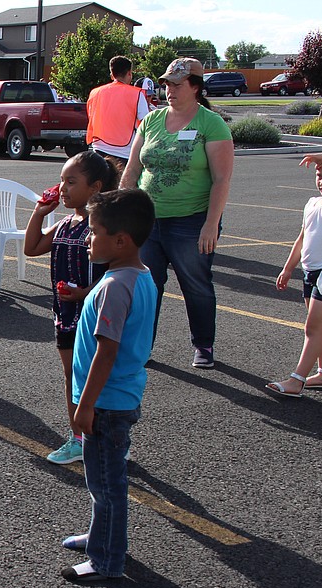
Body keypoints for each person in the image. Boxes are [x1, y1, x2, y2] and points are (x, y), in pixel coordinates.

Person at [61, 189, 158, 583]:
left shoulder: (115, 287)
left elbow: (107, 351)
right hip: (118, 396)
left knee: (107, 483)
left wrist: (85, 406)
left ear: (121, 240)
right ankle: (102, 535)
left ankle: (107, 560)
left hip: (106, 402)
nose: (87, 237)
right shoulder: (139, 275)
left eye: (94, 231)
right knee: (100, 477)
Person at [119, 57, 234, 370]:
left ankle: (203, 344)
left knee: (195, 283)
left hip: (191, 220)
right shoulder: (152, 120)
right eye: (167, 83)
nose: (169, 89)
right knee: (146, 286)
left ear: (195, 87)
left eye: (177, 84)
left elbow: (222, 179)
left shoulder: (211, 124)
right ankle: (141, 347)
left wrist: (211, 224)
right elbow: (132, 170)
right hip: (148, 220)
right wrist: (119, 212)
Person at [23, 151, 120, 464]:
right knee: (72, 376)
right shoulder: (66, 223)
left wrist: (84, 294)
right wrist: (39, 213)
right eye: (61, 180)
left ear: (94, 188)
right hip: (65, 316)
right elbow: (32, 247)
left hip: (92, 315)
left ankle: (109, 438)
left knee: (97, 378)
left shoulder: (101, 228)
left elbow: (114, 273)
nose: (62, 188)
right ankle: (78, 437)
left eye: (71, 182)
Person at [265, 153, 322, 397]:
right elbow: (302, 237)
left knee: (312, 329)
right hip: (310, 272)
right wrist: (288, 267)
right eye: (319, 176)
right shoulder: (313, 203)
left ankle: (297, 380)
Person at [85, 56, 151, 168]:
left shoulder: (95, 93)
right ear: (129, 73)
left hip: (98, 147)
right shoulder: (136, 94)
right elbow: (146, 122)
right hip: (124, 150)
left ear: (112, 73)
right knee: (121, 185)